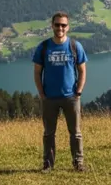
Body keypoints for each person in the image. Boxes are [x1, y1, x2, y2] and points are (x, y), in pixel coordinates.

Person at [32, 11, 87, 173]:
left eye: (63, 25)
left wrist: (78, 92)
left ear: (68, 27)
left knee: (75, 133)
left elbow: (82, 70)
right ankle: (48, 165)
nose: (60, 28)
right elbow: (37, 72)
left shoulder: (75, 46)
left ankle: (78, 163)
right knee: (49, 133)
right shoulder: (43, 47)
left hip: (71, 97)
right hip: (49, 98)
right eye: (57, 25)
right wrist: (42, 93)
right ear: (52, 26)